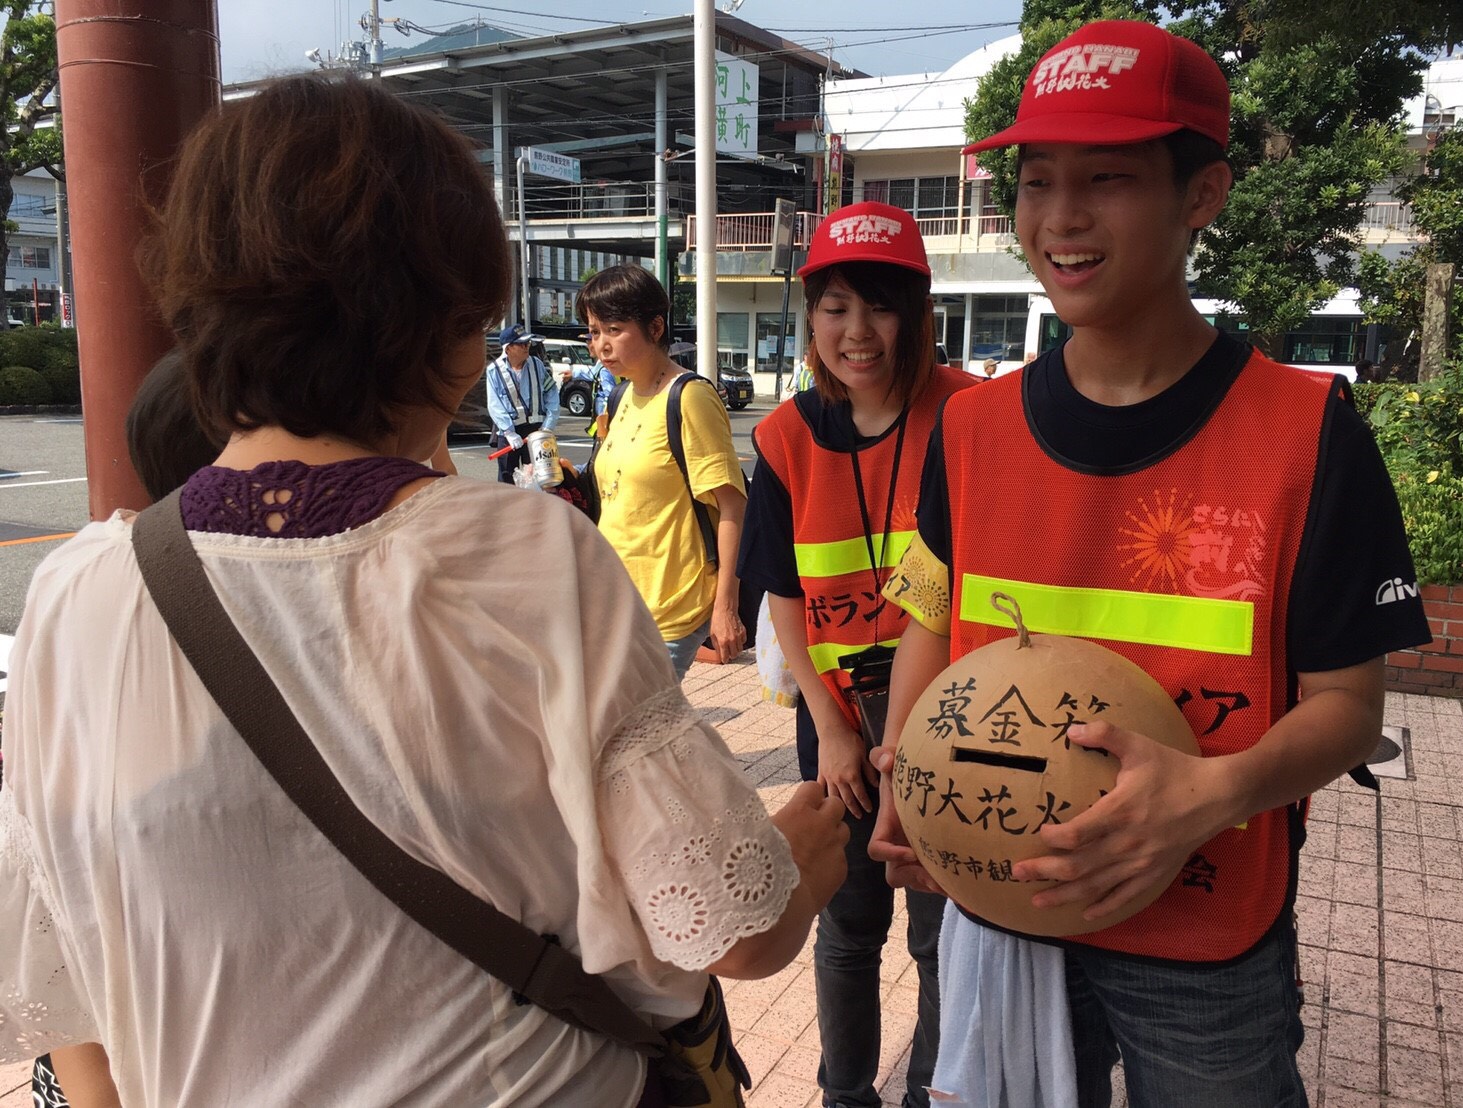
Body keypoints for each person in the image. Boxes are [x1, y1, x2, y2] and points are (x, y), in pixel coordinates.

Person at [0, 74, 850, 1107]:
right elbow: (730, 931)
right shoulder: (525, 557)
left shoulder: (75, 596)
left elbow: (65, 972)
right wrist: (800, 858)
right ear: (448, 327)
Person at [869, 19, 1430, 1107]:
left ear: (1201, 194)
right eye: (1034, 182)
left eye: (1106, 179)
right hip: (1001, 894)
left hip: (1203, 928)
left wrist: (1206, 793)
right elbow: (929, 620)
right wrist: (903, 760)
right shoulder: (972, 429)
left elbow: (1348, 710)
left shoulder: (1304, 431)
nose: (1059, 219)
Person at [738, 201, 979, 1108]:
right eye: (834, 306)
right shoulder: (785, 437)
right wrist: (828, 726)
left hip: (951, 728)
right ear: (810, 319)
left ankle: (930, 1091)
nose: (856, 331)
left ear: (918, 315)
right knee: (846, 928)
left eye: (879, 305)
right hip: (838, 724)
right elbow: (786, 597)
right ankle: (847, 1095)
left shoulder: (971, 415)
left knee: (938, 931)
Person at [578, 263, 749, 680]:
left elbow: (732, 507)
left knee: (628, 730)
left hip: (671, 605)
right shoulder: (619, 397)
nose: (601, 345)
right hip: (618, 600)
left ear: (655, 328)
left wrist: (725, 607)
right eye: (594, 332)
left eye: (614, 329)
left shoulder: (689, 398)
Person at [486, 322, 559, 484]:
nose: (527, 347)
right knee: (507, 478)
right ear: (508, 348)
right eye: (521, 344)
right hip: (508, 434)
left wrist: (548, 425)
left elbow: (551, 392)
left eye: (528, 343)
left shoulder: (536, 364)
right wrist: (508, 432)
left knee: (537, 477)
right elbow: (494, 404)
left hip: (536, 429)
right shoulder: (494, 370)